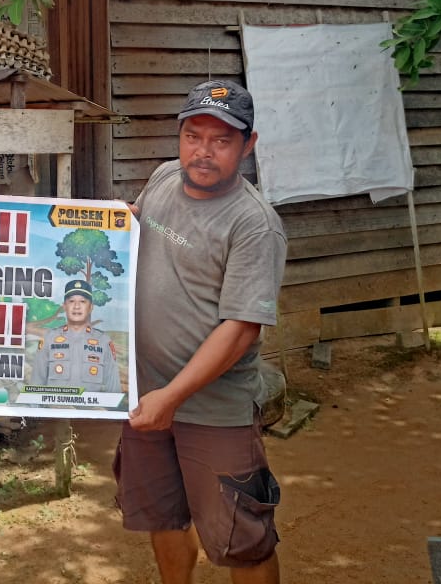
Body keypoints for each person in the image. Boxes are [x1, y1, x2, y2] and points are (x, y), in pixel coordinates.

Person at [116, 79, 287, 584]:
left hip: (213, 410)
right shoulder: (165, 179)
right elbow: (146, 232)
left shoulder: (254, 224)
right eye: (194, 136)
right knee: (162, 516)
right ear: (179, 135)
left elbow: (240, 329)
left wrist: (172, 396)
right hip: (146, 396)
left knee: (240, 540)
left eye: (221, 140)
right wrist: (120, 224)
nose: (203, 152)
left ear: (248, 145)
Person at [31, 278, 123, 393]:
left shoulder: (104, 341)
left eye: (83, 302)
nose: (76, 306)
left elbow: (113, 389)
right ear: (64, 306)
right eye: (71, 301)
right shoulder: (49, 339)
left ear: (91, 307)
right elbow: (36, 385)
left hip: (92, 409)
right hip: (55, 409)